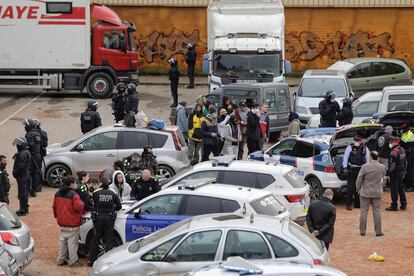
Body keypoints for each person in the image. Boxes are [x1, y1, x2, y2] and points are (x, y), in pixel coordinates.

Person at [88, 177, 121, 267]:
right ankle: (107, 262)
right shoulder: (113, 192)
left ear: (101, 183)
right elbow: (119, 206)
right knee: (109, 240)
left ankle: (92, 261)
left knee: (95, 239)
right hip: (109, 218)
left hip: (98, 218)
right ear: (108, 183)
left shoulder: (96, 192)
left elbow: (92, 204)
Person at [53, 176, 84, 267]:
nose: (76, 184)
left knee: (62, 242)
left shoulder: (57, 193)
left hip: (62, 222)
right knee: (72, 243)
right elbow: (79, 207)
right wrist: (83, 203)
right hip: (73, 223)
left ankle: (61, 260)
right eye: (75, 183)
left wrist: (57, 217)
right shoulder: (74, 195)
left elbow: (54, 207)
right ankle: (73, 261)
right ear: (71, 184)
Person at [356, 151, 387, 236]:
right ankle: (378, 231)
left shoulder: (365, 167)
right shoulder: (382, 167)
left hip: (365, 192)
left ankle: (362, 231)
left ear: (370, 157)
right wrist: (382, 186)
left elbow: (359, 178)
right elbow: (383, 178)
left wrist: (358, 188)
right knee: (377, 212)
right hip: (377, 192)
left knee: (364, 211)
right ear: (377, 157)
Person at [342, 135, 370, 210]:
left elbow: (367, 160)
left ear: (361, 141)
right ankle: (349, 204)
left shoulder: (365, 148)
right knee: (350, 187)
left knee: (359, 187)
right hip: (352, 169)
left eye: (358, 141)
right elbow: (345, 157)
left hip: (361, 169)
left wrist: (367, 170)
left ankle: (357, 204)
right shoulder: (350, 147)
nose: (356, 142)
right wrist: (345, 167)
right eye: (355, 140)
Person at [385, 136, 407, 211]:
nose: (390, 143)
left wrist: (388, 173)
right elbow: (405, 162)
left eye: (391, 142)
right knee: (401, 188)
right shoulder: (402, 150)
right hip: (401, 172)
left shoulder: (394, 152)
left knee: (394, 189)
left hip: (394, 173)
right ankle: (403, 204)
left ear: (395, 142)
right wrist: (404, 171)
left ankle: (394, 206)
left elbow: (392, 165)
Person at [12, 137, 31, 216]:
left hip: (22, 176)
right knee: (24, 192)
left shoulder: (22, 154)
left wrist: (15, 173)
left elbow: (20, 167)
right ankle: (25, 207)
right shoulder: (25, 152)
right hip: (25, 175)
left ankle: (23, 209)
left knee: (22, 193)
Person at [24, 118, 42, 197]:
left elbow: (30, 145)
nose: (25, 127)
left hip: (32, 155)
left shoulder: (30, 134)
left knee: (29, 173)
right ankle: (34, 190)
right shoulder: (37, 133)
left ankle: (28, 191)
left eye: (26, 125)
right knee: (36, 173)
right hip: (37, 155)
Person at [400, 124, 414, 192]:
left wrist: (399, 138)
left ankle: (411, 186)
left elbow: (403, 142)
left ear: (406, 129)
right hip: (406, 153)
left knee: (410, 169)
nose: (401, 130)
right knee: (405, 169)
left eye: (402, 129)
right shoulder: (404, 134)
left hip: (411, 154)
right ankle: (406, 184)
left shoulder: (410, 134)